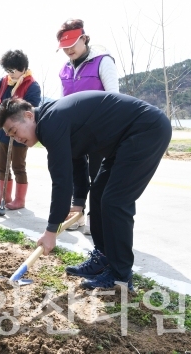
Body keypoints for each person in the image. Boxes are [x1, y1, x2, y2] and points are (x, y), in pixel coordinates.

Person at [0, 92, 171, 291]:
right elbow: (76, 158)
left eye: (14, 130)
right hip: (125, 139)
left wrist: (51, 229)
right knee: (98, 193)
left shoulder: (51, 122)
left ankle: (120, 276)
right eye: (11, 136)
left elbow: (61, 180)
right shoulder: (51, 120)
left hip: (146, 130)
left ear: (28, 115)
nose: (17, 139)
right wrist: (79, 201)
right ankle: (104, 257)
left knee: (115, 201)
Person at [57, 19, 120, 232]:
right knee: (76, 171)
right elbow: (62, 101)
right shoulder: (65, 69)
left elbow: (114, 97)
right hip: (75, 131)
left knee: (98, 173)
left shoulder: (102, 61)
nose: (68, 50)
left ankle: (98, 216)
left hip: (100, 129)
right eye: (64, 47)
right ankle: (77, 213)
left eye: (73, 44)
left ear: (84, 38)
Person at [0, 50, 41, 210]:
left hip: (20, 132)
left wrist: (4, 108)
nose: (10, 73)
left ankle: (19, 200)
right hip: (4, 131)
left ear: (22, 68)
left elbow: (31, 106)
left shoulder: (32, 85)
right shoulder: (5, 81)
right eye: (7, 70)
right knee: (1, 165)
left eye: (12, 70)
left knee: (18, 166)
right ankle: (4, 196)